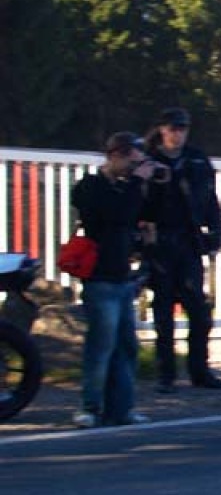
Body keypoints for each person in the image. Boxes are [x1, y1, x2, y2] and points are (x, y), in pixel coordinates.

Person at [69, 132, 156, 427]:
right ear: (115, 155)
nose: (133, 167)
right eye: (131, 159)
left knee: (126, 346)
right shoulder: (90, 187)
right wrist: (135, 183)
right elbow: (115, 215)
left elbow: (137, 215)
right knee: (101, 344)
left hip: (122, 276)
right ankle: (90, 406)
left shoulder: (126, 188)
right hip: (99, 278)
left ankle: (122, 408)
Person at [142, 106, 221, 392]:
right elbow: (137, 203)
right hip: (159, 242)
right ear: (162, 129)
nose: (177, 134)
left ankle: (199, 371)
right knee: (163, 313)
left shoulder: (197, 160)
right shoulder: (148, 161)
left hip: (189, 241)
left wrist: (215, 233)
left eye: (182, 128)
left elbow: (210, 199)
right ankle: (166, 375)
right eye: (172, 128)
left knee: (198, 311)